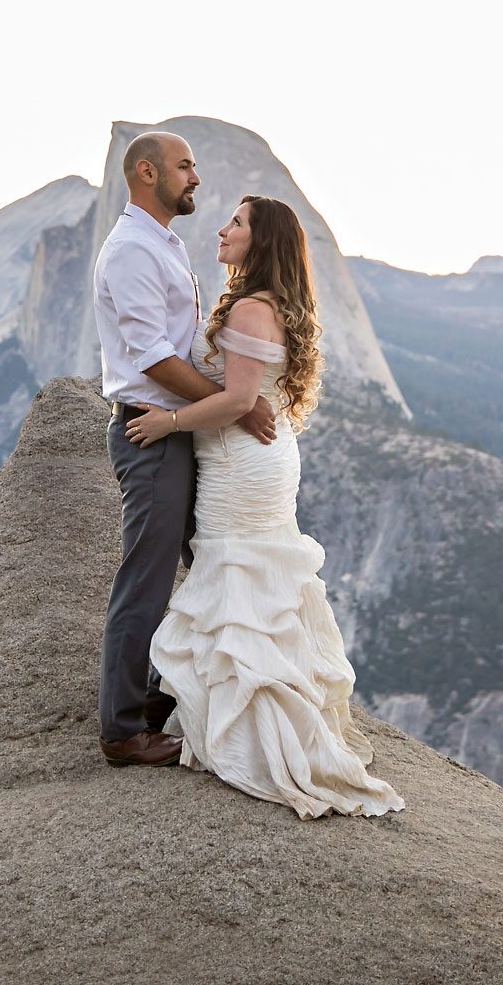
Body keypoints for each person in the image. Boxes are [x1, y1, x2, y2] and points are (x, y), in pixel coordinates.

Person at [125, 193, 404, 819]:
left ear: (263, 241)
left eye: (237, 223)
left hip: (239, 462)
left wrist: (167, 422)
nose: (223, 230)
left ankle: (257, 728)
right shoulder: (269, 305)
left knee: (237, 576)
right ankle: (255, 703)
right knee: (250, 579)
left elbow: (237, 401)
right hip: (259, 461)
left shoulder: (252, 309)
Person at [92, 131, 277, 768]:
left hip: (180, 431)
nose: (196, 177)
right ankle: (123, 730)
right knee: (145, 579)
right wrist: (235, 403)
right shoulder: (132, 252)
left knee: (207, 565)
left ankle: (160, 699)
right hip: (153, 432)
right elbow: (153, 358)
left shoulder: (161, 243)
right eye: (184, 165)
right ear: (147, 173)